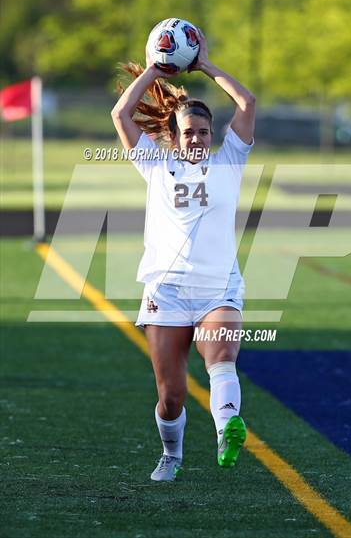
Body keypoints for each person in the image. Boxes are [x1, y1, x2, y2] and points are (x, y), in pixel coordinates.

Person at [111, 29, 256, 482]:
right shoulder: (156, 165)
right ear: (173, 136)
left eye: (204, 132)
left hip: (218, 288)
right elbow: (121, 113)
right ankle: (170, 456)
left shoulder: (229, 162)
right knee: (171, 394)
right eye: (189, 132)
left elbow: (247, 104)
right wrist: (156, 67)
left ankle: (226, 428)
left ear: (213, 136)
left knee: (222, 361)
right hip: (167, 292)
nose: (197, 138)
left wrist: (206, 65)